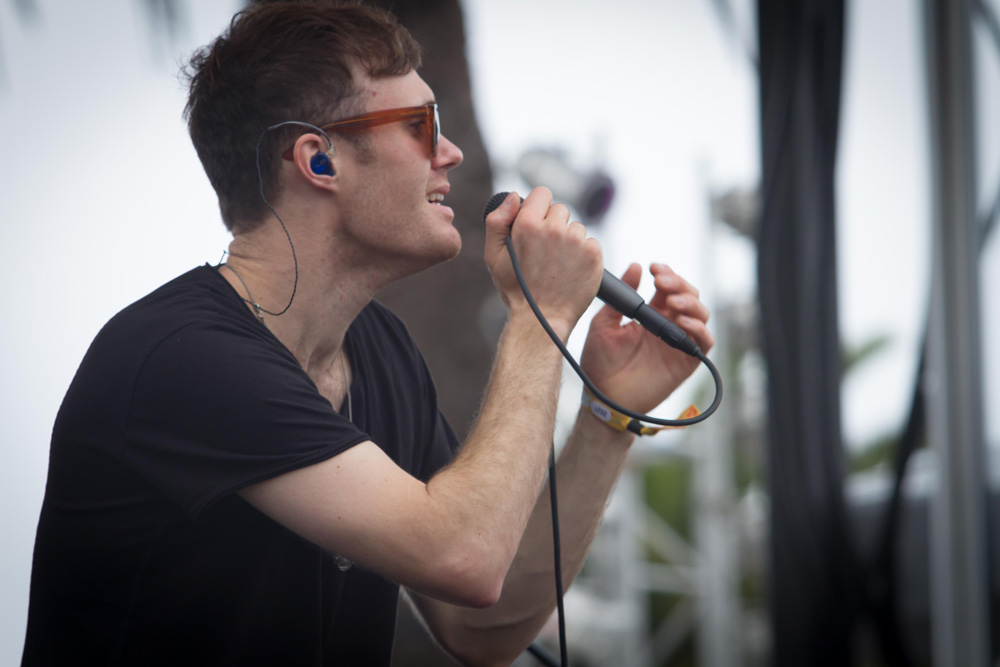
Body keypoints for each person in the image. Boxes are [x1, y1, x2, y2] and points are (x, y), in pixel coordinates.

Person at [21, 2, 714, 665]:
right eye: (419, 123)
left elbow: (481, 627)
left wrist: (609, 414)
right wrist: (542, 316)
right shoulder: (184, 358)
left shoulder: (380, 351)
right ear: (318, 161)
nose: (452, 153)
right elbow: (464, 556)